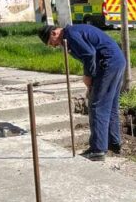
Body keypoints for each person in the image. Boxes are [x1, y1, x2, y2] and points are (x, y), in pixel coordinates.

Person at [38, 23, 126, 161]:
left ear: (53, 33)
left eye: (51, 43)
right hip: (116, 60)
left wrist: (88, 76)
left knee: (97, 106)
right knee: (110, 105)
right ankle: (113, 143)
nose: (54, 46)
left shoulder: (71, 35)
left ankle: (97, 150)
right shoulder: (73, 32)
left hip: (108, 63)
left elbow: (89, 54)